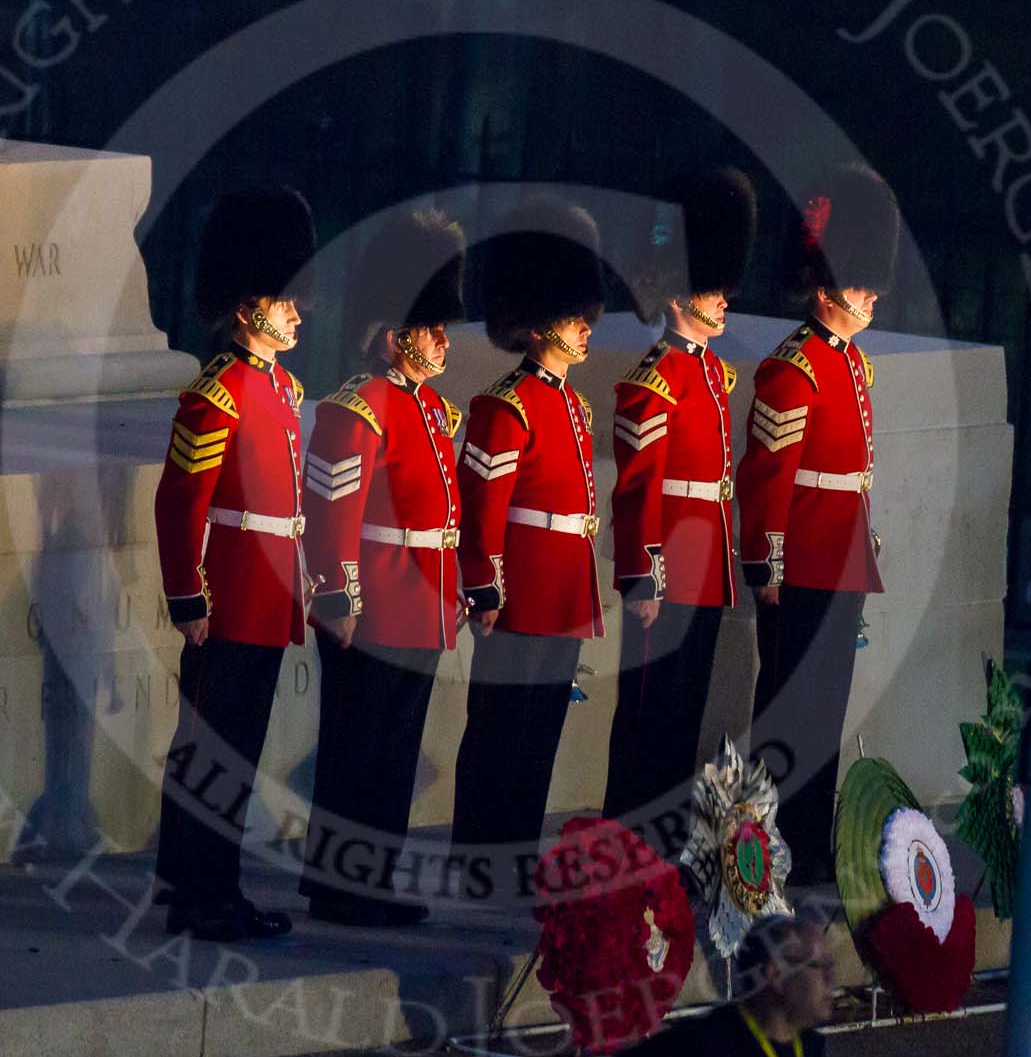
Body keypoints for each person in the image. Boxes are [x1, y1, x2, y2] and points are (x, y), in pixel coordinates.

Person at [153, 184, 316, 942]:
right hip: (227, 598)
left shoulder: (282, 389)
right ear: (250, 305)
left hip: (265, 593)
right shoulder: (217, 393)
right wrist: (188, 594)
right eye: (285, 301)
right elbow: (180, 502)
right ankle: (202, 886)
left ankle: (200, 881)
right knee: (212, 748)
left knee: (234, 750)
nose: (297, 312)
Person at [298, 207, 468, 927]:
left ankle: (372, 878)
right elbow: (331, 509)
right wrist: (337, 597)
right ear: (397, 336)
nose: (443, 339)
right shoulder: (359, 407)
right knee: (356, 747)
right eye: (432, 327)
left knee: (394, 753)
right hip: (371, 611)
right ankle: (341, 882)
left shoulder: (432, 412)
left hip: (420, 605)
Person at [735, 165, 900, 883]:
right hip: (798, 562)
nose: (871, 293)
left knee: (826, 709)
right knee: (790, 704)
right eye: (861, 279)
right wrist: (765, 560)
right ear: (828, 282)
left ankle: (807, 836)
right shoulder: (791, 368)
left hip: (840, 558)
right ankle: (771, 838)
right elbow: (766, 478)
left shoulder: (850, 365)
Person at [451, 200, 608, 866]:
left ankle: (514, 850)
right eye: (572, 314)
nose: (584, 326)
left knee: (540, 729)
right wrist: (484, 589)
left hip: (564, 590)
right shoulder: (503, 405)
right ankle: (480, 852)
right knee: (499, 730)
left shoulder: (573, 405)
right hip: (519, 597)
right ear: (538, 320)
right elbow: (481, 509)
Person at [603, 166, 757, 832]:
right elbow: (638, 491)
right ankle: (629, 825)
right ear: (676, 297)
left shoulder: (710, 375)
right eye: (709, 288)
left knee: (684, 707)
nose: (723, 299)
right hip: (666, 569)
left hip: (703, 564)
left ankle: (663, 825)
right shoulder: (654, 381)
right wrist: (644, 575)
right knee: (648, 709)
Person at [559, 912, 835, 1057]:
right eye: (818, 966)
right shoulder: (707, 1043)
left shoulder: (809, 1044)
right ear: (775, 975)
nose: (831, 978)